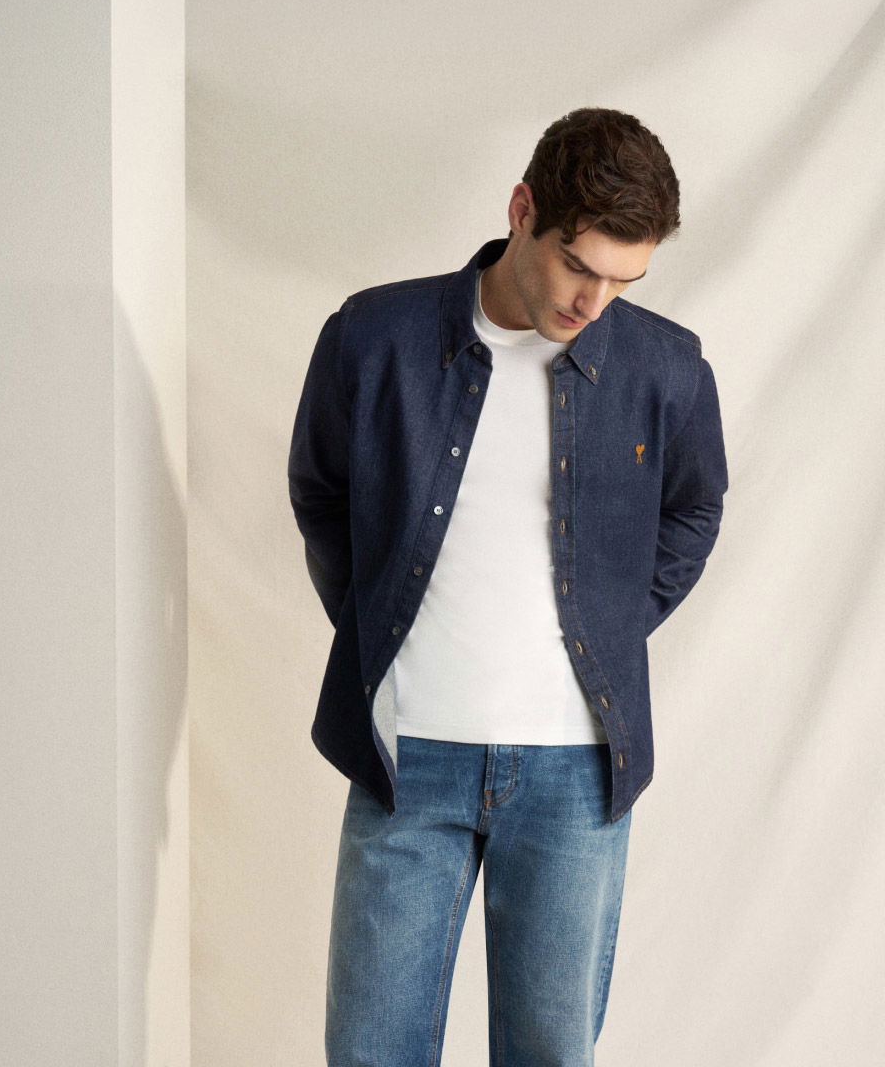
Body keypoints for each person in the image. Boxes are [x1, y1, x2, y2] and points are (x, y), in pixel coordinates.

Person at [286, 107, 728, 1065]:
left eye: (622, 281)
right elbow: (320, 490)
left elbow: (695, 510)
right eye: (577, 266)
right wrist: (377, 620)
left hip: (576, 772)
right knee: (371, 1052)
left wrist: (611, 624)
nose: (593, 302)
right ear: (523, 210)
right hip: (407, 758)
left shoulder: (666, 368)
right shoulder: (375, 337)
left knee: (549, 1055)